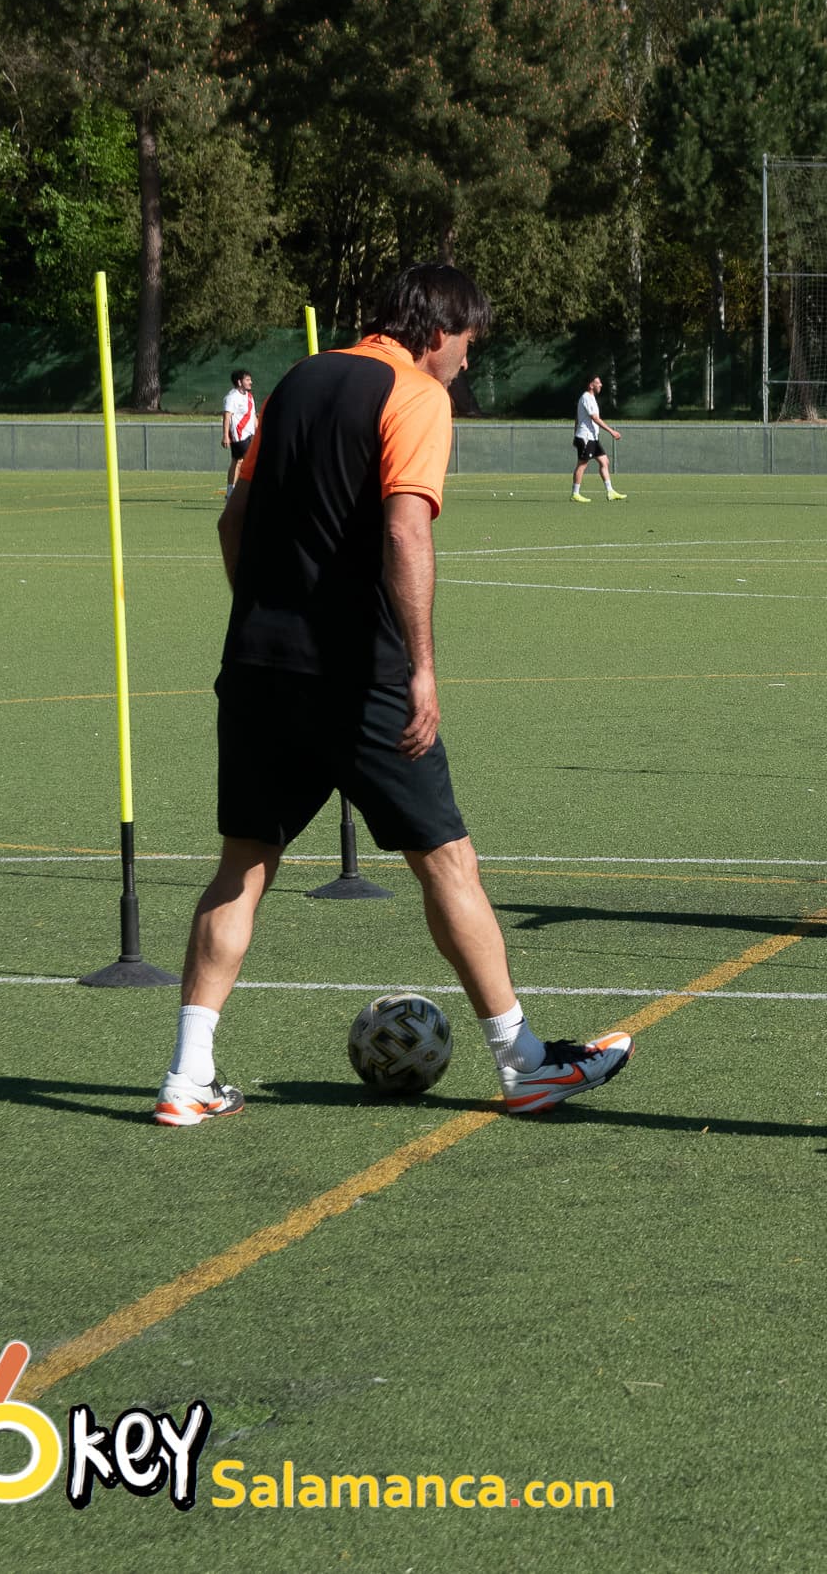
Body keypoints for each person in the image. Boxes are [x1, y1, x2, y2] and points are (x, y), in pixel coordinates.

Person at [152, 264, 634, 1128]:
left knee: (241, 865)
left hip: (259, 668)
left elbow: (232, 520)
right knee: (447, 861)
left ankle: (187, 1078)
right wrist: (422, 667)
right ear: (437, 329)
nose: (466, 367)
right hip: (360, 676)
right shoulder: (414, 394)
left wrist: (265, 620)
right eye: (467, 347)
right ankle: (523, 1062)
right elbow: (406, 527)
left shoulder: (300, 377)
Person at [570, 374, 627, 502]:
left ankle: (610, 491)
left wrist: (575, 434)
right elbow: (595, 418)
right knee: (582, 464)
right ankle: (575, 493)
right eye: (598, 383)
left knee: (604, 462)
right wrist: (611, 431)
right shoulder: (586, 397)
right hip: (586, 437)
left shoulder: (591, 398)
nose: (601, 385)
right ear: (591, 385)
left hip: (592, 438)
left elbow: (577, 418)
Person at [221, 370, 257, 498]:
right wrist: (225, 435)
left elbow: (253, 416)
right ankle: (238, 491)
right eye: (247, 380)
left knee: (237, 461)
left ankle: (231, 492)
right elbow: (227, 417)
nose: (250, 382)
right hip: (239, 435)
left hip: (250, 434)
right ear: (239, 382)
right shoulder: (232, 397)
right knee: (245, 461)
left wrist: (258, 432)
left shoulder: (249, 397)